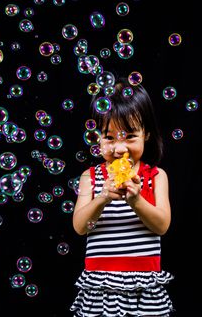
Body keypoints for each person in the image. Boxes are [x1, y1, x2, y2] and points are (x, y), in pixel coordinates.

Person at [70, 77, 174, 316]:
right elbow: (79, 226)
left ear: (146, 134)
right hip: (100, 283)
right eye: (109, 137)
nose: (119, 148)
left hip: (144, 284)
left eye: (129, 136)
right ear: (97, 138)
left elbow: (162, 226)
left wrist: (136, 200)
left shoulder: (156, 176)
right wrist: (103, 197)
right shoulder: (91, 176)